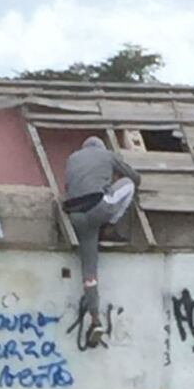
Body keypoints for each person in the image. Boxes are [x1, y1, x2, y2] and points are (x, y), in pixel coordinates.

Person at [62, 136, 142, 346]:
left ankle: (95, 319)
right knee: (128, 185)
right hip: (98, 209)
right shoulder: (107, 155)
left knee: (89, 270)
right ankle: (111, 226)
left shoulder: (72, 158)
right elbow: (134, 177)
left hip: (76, 216)